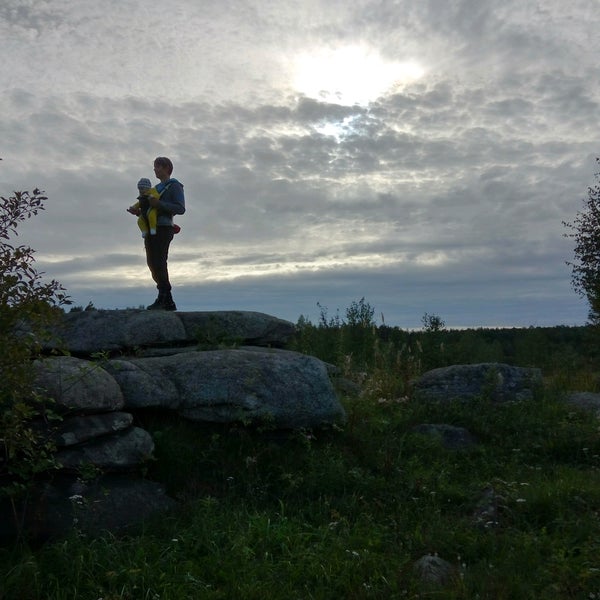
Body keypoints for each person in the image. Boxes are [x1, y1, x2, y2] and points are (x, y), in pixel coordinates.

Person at [127, 157, 185, 310]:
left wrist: (159, 204)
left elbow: (180, 208)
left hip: (164, 228)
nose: (155, 169)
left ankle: (164, 297)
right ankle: (166, 298)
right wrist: (138, 212)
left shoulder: (174, 186)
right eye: (155, 166)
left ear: (166, 168)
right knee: (152, 263)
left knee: (159, 261)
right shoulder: (155, 188)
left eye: (157, 166)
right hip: (150, 229)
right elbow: (150, 209)